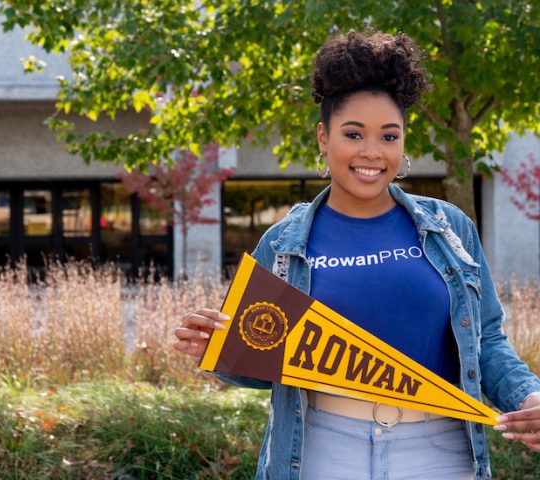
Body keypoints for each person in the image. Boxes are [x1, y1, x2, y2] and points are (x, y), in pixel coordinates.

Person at [173, 30, 540, 480]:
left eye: (389, 136)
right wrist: (218, 350)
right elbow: (268, 362)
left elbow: (485, 339)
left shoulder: (449, 226)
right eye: (353, 134)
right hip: (320, 449)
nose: (371, 152)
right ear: (324, 138)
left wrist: (528, 396)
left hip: (440, 450)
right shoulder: (283, 243)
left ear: (404, 143)